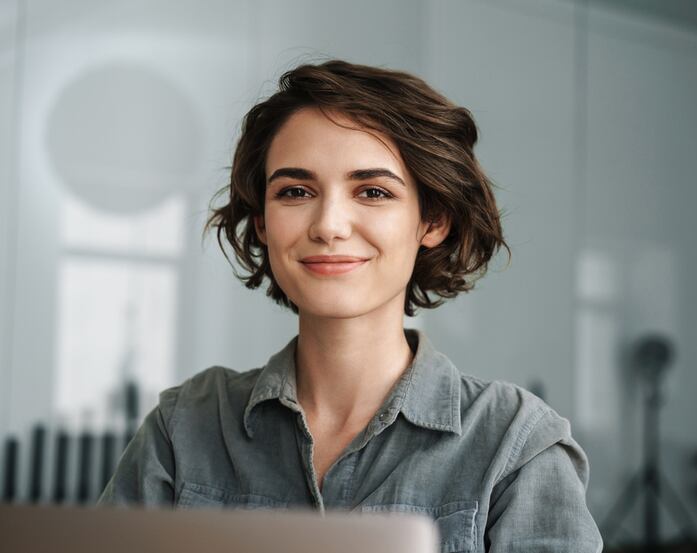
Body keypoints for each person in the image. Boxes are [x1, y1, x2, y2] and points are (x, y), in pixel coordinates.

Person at [99, 59, 603, 552]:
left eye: (373, 192)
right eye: (295, 191)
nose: (329, 225)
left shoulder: (515, 444)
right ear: (262, 223)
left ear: (433, 221)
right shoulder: (185, 426)